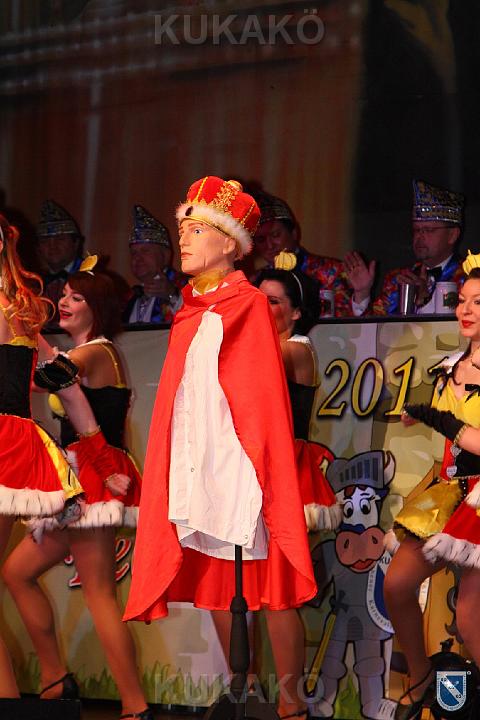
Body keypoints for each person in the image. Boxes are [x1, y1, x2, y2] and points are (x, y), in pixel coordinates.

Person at [123, 176, 317, 718]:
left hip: (243, 469)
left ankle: (290, 704)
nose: (183, 239)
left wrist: (248, 470)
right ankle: (241, 690)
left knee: (270, 585)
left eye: (196, 229)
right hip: (200, 466)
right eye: (182, 228)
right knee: (217, 578)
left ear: (229, 243)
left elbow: (259, 400)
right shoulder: (188, 311)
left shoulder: (250, 305)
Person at [3, 258, 151, 719]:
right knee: (17, 573)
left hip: (95, 477)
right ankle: (54, 678)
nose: (64, 303)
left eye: (77, 297)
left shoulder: (98, 353)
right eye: (64, 295)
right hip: (74, 479)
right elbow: (42, 371)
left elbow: (56, 373)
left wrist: (25, 339)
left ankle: (134, 705)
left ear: (98, 310)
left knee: (100, 592)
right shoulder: (85, 352)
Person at [383, 251, 480, 720]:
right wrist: (424, 413)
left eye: (479, 302)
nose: (467, 310)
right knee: (397, 585)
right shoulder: (451, 366)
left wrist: (435, 417)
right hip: (449, 492)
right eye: (463, 300)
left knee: (471, 618)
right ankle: (420, 678)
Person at [254, 252, 341, 717]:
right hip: (247, 473)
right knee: (234, 591)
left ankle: (292, 706)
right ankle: (244, 692)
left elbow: (256, 371)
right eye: (257, 300)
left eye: (271, 302)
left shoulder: (296, 349)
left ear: (296, 312)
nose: (261, 309)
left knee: (277, 594)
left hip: (284, 474)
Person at [345, 179, 465, 316]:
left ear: (452, 235)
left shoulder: (469, 279)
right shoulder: (397, 279)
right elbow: (374, 327)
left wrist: (425, 301)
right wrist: (362, 293)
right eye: (416, 230)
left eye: (429, 230)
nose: (419, 237)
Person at [251, 190, 354, 318]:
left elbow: (349, 322)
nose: (269, 245)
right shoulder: (254, 282)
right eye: (261, 239)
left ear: (294, 233)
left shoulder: (331, 271)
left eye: (275, 235)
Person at [123, 205, 187, 324]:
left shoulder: (189, 287)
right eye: (133, 253)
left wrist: (171, 295)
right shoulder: (130, 297)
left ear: (166, 255)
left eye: (145, 251)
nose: (137, 258)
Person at [36, 199, 85, 324]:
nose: (52, 246)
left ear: (76, 243)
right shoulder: (33, 285)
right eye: (45, 241)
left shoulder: (93, 280)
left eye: (60, 238)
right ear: (38, 248)